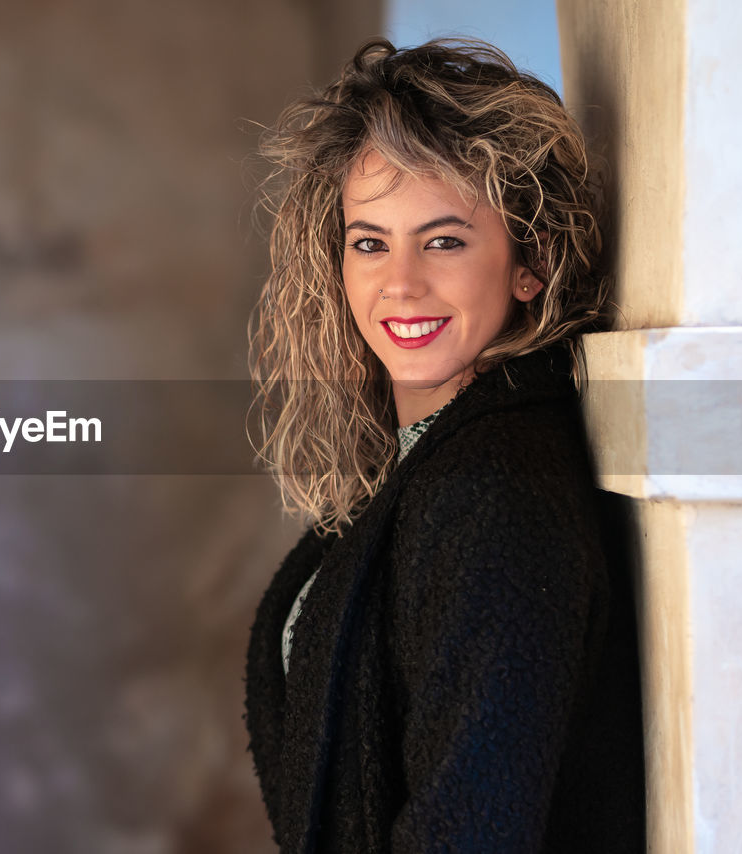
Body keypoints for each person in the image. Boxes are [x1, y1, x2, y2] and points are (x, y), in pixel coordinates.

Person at [243, 38, 645, 853]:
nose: (401, 283)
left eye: (445, 240)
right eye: (370, 241)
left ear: (528, 262)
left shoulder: (495, 487)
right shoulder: (426, 460)